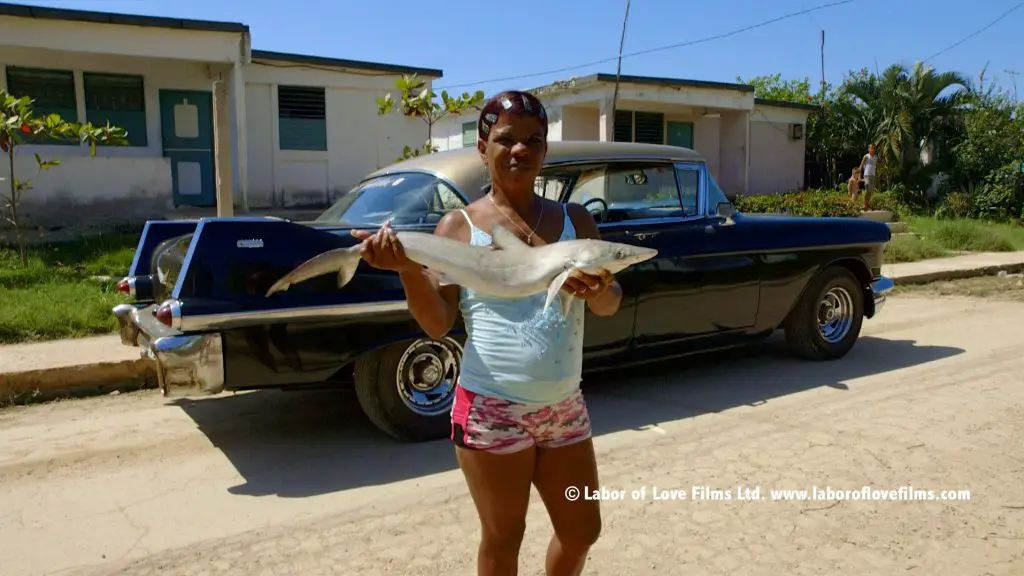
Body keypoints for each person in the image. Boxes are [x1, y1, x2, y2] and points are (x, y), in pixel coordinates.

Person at [352, 90, 621, 576]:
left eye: (533, 141)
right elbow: (437, 323)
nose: (520, 149)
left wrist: (596, 288)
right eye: (506, 139)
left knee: (583, 529)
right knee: (503, 538)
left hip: (563, 405)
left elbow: (610, 302)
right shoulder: (459, 227)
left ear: (544, 152)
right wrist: (408, 270)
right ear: (483, 147)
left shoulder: (574, 221)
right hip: (491, 409)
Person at [858, 143, 878, 210]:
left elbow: (877, 166)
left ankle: (867, 204)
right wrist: (859, 176)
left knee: (871, 191)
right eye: (871, 148)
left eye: (873, 148)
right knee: (868, 190)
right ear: (868, 149)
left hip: (873, 175)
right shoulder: (866, 156)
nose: (872, 149)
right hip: (867, 175)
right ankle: (866, 206)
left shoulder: (875, 157)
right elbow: (861, 166)